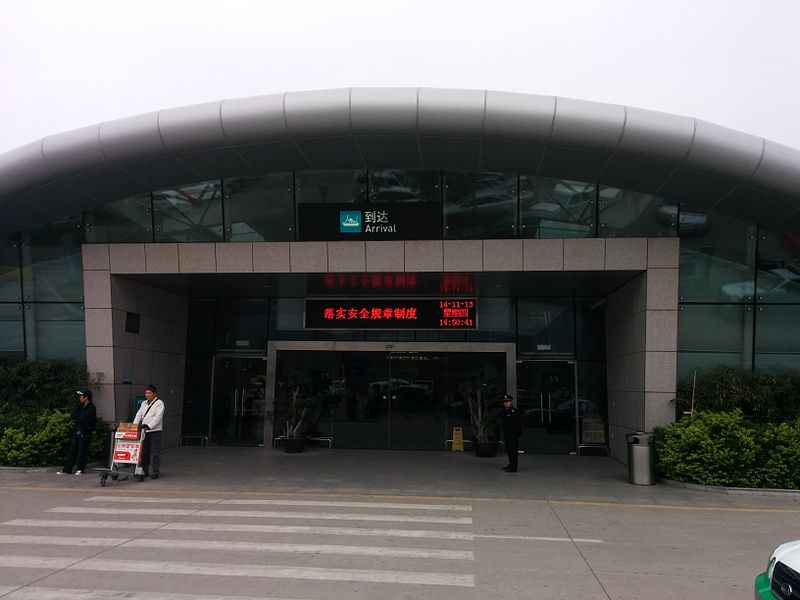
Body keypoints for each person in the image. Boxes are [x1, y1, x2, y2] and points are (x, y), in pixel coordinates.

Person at [58, 389, 97, 475]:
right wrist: (78, 417)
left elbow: (84, 419)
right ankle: (67, 469)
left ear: (86, 397)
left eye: (81, 396)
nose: (80, 398)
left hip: (85, 432)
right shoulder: (80, 406)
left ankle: (80, 468)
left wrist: (79, 417)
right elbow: (74, 415)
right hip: (77, 430)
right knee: (73, 450)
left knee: (82, 450)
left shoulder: (91, 408)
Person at [132, 384, 165, 480]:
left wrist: (149, 426)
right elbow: (139, 415)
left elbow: (158, 417)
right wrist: (135, 426)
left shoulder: (159, 403)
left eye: (149, 393)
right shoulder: (143, 403)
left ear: (154, 394)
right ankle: (144, 470)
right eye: (146, 393)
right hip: (144, 431)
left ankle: (155, 470)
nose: (147, 395)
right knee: (144, 451)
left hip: (155, 431)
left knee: (155, 451)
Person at [501, 393, 523, 473]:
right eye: (505, 402)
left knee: (513, 451)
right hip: (507, 434)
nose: (506, 403)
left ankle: (514, 467)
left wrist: (518, 434)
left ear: (511, 402)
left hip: (513, 435)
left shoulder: (514, 412)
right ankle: (511, 464)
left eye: (508, 401)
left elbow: (518, 424)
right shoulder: (504, 411)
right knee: (509, 450)